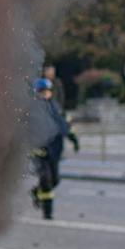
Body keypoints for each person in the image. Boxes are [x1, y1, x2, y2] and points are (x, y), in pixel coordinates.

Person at [31, 76, 79, 220]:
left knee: (55, 180)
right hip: (39, 151)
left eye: (47, 91)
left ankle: (36, 192)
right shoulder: (33, 111)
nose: (45, 94)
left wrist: (73, 138)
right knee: (46, 179)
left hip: (54, 150)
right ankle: (47, 212)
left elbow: (64, 124)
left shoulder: (55, 107)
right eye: (42, 91)